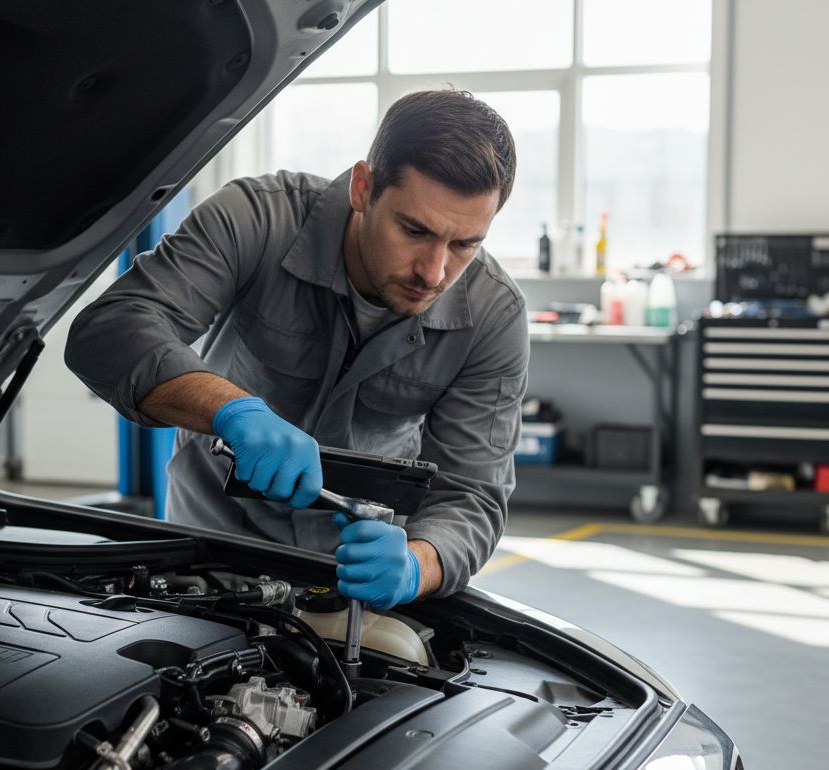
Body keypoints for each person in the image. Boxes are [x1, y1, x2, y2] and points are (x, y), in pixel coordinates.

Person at [66, 89, 527, 610]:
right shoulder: (257, 219)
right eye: (414, 230)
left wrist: (417, 564)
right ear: (363, 187)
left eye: (464, 244)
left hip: (353, 567)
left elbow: (472, 495)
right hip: (209, 546)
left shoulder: (494, 315)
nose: (433, 271)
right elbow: (110, 329)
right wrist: (230, 410)